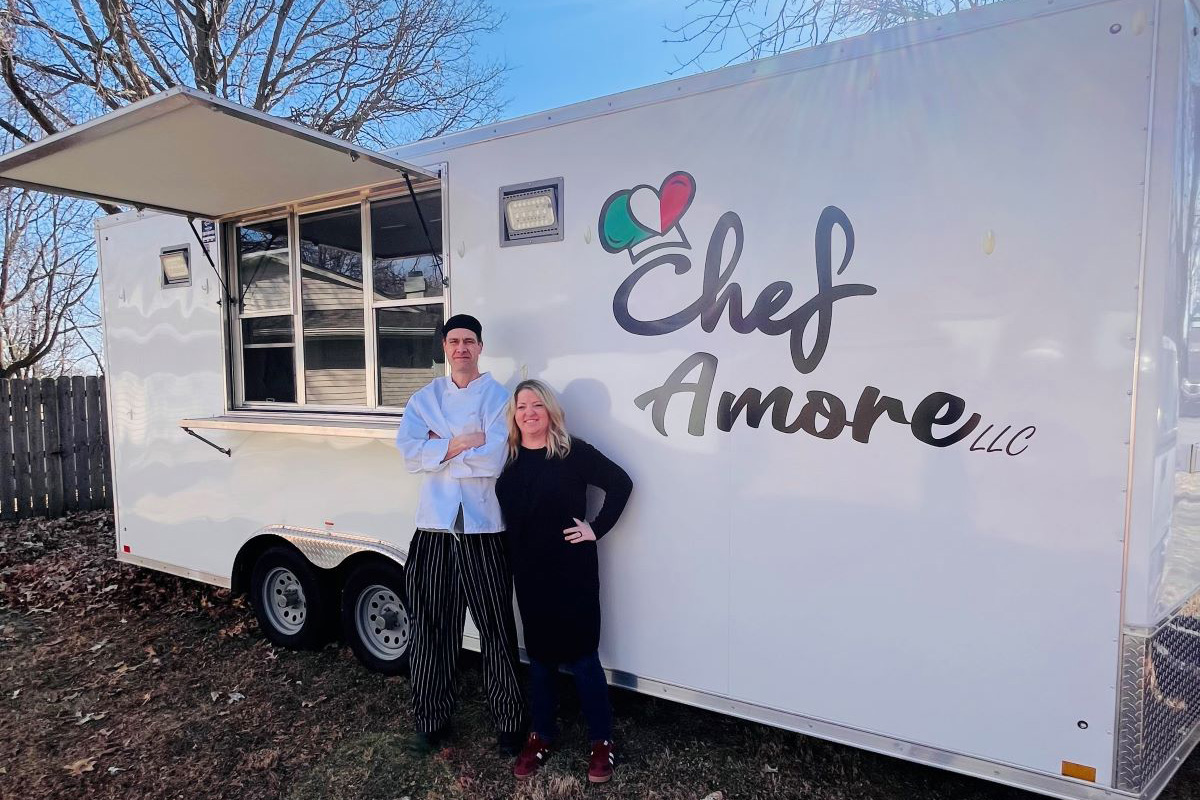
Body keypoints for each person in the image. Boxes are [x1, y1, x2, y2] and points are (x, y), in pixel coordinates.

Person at [395, 314, 526, 755]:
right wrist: (461, 442)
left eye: (469, 340)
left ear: (481, 347)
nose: (461, 348)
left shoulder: (499, 397)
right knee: (431, 627)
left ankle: (509, 724)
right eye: (454, 341)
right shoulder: (424, 398)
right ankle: (430, 722)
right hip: (433, 530)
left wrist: (441, 448)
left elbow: (494, 459)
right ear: (445, 348)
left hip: (483, 530)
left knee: (495, 627)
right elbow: (411, 456)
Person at [495, 379, 633, 784]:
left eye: (537, 404)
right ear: (514, 415)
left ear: (550, 411)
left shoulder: (573, 453)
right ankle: (541, 736)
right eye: (522, 406)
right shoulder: (511, 459)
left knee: (583, 656)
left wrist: (596, 528)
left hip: (572, 571)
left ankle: (601, 741)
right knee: (539, 658)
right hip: (530, 572)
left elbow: (621, 483)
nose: (529, 412)